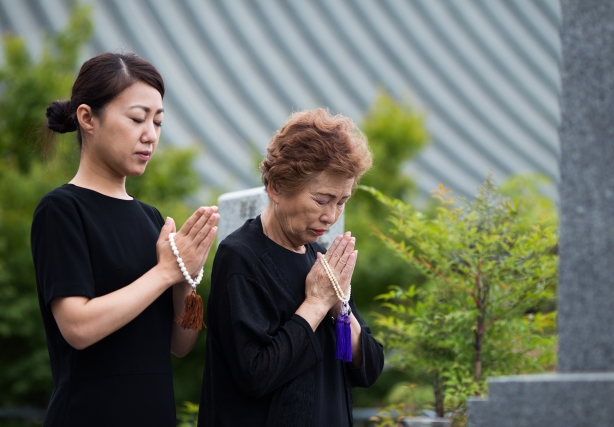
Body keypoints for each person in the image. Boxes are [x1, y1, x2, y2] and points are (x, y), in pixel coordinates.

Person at [31, 52, 218, 427]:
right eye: (136, 118)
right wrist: (165, 272)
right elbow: (78, 328)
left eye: (158, 121)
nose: (150, 134)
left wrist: (186, 275)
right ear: (87, 119)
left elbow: (180, 346)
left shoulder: (150, 218)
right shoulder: (61, 210)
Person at [198, 108, 384, 427]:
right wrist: (314, 304)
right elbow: (256, 375)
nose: (332, 216)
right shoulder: (240, 257)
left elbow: (366, 370)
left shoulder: (320, 257)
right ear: (277, 187)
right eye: (322, 200)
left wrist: (341, 307)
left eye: (342, 201)